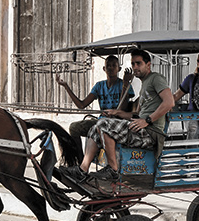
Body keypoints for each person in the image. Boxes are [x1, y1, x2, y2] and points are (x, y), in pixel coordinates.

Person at [61, 49, 175, 181]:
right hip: (141, 128)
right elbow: (136, 115)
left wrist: (148, 120)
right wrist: (117, 112)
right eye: (133, 64)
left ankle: (113, 169)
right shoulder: (145, 84)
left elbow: (169, 102)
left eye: (138, 63)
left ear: (148, 65)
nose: (135, 67)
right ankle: (82, 169)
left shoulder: (156, 78)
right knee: (94, 128)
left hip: (151, 133)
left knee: (103, 124)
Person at [56, 55, 134, 158]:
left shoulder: (123, 84)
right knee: (74, 128)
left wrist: (125, 83)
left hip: (117, 123)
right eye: (108, 65)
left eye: (113, 65)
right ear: (104, 69)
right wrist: (66, 86)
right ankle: (79, 160)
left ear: (118, 69)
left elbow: (122, 109)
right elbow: (81, 105)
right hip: (101, 121)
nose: (110, 68)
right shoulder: (99, 86)